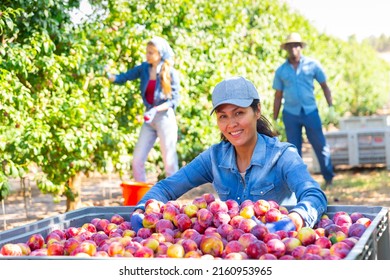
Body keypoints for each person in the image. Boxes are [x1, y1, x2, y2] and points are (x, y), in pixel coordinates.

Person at [130, 76, 328, 233]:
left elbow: (313, 195)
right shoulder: (214, 158)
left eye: (239, 113)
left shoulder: (282, 156)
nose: (231, 123)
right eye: (223, 116)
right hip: (232, 253)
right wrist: (141, 211)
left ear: (257, 111)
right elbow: (166, 188)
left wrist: (292, 221)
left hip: (278, 250)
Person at [105, 36, 180, 183]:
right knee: (137, 160)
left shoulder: (170, 72)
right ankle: (143, 197)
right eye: (147, 52)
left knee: (169, 162)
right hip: (149, 119)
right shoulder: (144, 68)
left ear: (160, 54)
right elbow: (124, 77)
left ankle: (172, 201)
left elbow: (174, 100)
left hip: (164, 118)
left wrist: (156, 109)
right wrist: (109, 76)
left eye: (151, 52)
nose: (148, 55)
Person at [272, 32, 335, 188]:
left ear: (301, 47)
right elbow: (278, 95)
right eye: (290, 46)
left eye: (296, 45)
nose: (293, 48)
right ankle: (300, 183)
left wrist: (331, 107)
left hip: (310, 112)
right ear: (286, 49)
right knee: (294, 150)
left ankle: (328, 177)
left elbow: (325, 87)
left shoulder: (312, 65)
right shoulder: (281, 71)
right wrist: (274, 118)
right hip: (290, 114)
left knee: (320, 145)